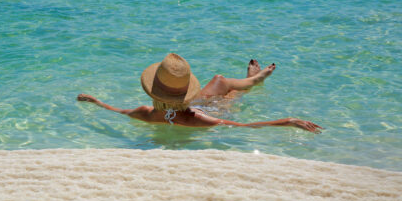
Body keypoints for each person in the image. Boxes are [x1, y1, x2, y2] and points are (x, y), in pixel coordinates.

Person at [77, 53, 322, 133]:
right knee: (231, 93)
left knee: (219, 80)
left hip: (195, 102)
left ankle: (252, 80)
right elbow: (244, 126)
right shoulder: (196, 119)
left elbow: (118, 111)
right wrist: (288, 121)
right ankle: (253, 80)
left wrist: (96, 102)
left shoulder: (146, 112)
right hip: (204, 107)